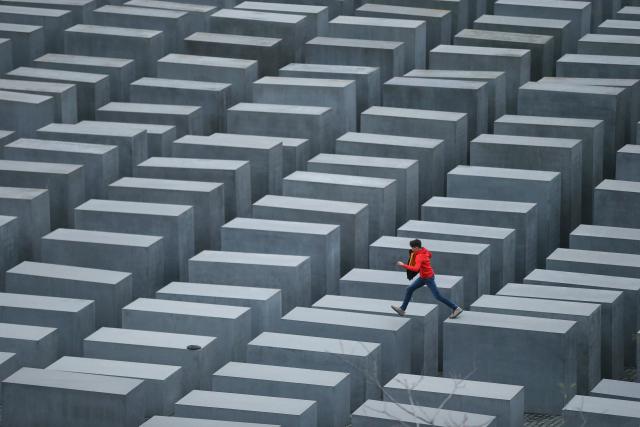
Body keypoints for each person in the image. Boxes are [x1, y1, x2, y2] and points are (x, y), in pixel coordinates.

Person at [391, 239, 463, 319]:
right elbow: (430, 255)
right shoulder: (424, 251)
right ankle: (402, 309)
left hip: (428, 278)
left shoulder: (419, 256)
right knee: (409, 289)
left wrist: (403, 265)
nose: (412, 249)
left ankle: (456, 308)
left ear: (417, 247)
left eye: (413, 248)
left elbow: (415, 269)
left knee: (437, 296)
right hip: (424, 277)